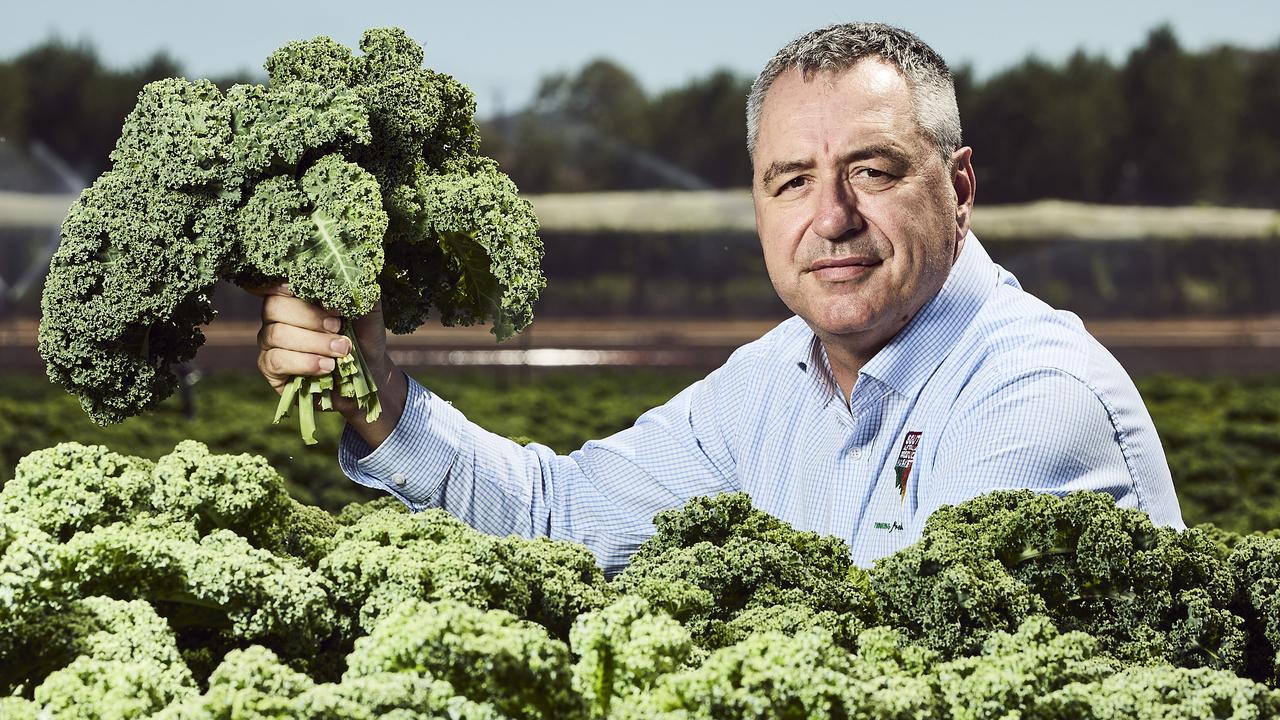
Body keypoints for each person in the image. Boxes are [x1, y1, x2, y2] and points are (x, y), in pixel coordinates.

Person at [254, 22, 1184, 575]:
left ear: (962, 186)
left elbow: (920, 677)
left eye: (873, 170)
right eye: (791, 181)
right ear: (757, 204)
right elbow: (557, 519)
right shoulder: (770, 384)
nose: (832, 217)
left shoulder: (1035, 399)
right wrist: (374, 395)